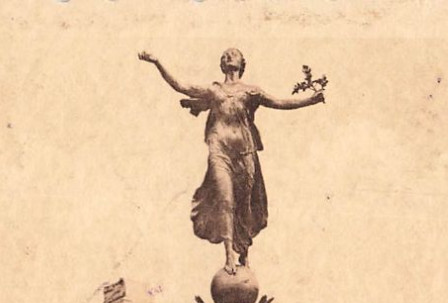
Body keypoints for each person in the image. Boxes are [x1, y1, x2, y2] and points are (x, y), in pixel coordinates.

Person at [138, 49, 325, 274]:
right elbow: (181, 86)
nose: (228, 56)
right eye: (225, 55)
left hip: (245, 152)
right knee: (225, 199)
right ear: (221, 64)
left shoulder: (251, 91)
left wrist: (311, 100)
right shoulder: (214, 90)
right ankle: (228, 256)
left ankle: (243, 252)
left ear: (241, 63)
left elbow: (280, 102)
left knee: (244, 205)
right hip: (220, 149)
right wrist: (157, 61)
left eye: (233, 54)